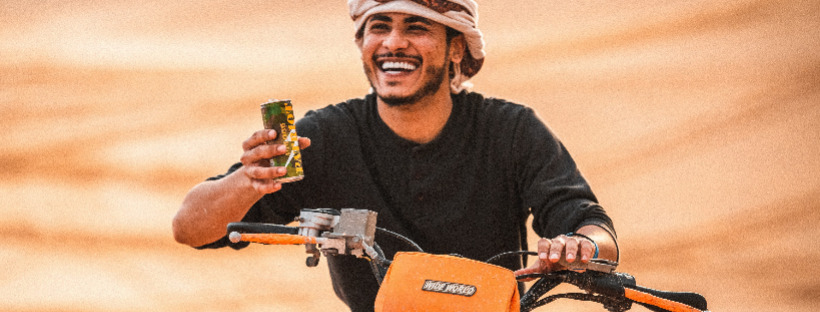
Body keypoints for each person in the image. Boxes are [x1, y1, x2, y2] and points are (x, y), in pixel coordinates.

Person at [173, 0, 619, 311]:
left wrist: (578, 247)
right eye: (379, 25)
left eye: (417, 26)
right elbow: (190, 229)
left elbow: (595, 232)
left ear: (456, 48)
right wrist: (247, 182)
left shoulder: (512, 131)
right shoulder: (322, 138)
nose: (393, 43)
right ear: (362, 42)